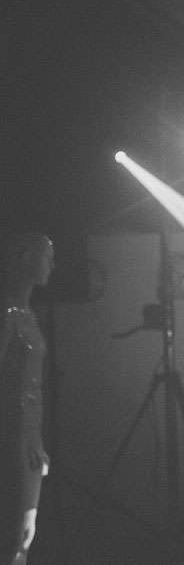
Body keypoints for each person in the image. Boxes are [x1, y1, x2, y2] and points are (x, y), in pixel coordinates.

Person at [1, 233, 55, 565]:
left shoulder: (27, 313)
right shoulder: (6, 313)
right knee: (14, 538)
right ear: (25, 257)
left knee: (22, 538)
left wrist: (35, 441)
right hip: (12, 439)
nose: (52, 265)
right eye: (46, 256)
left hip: (28, 440)